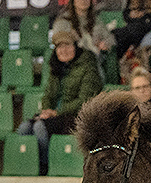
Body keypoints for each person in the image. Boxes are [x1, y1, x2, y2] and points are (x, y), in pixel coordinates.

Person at [16, 30, 103, 175]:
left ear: (76, 46)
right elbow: (48, 94)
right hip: (55, 115)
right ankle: (27, 165)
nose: (63, 50)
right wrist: (46, 110)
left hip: (76, 116)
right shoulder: (56, 67)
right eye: (59, 47)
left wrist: (56, 112)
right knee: (24, 127)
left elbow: (85, 100)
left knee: (39, 127)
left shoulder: (88, 66)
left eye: (67, 45)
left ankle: (45, 165)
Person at [52, 0, 117, 82]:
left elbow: (111, 39)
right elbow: (59, 45)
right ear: (73, 0)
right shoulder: (63, 22)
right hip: (71, 63)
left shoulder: (96, 21)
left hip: (94, 60)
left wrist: (105, 44)